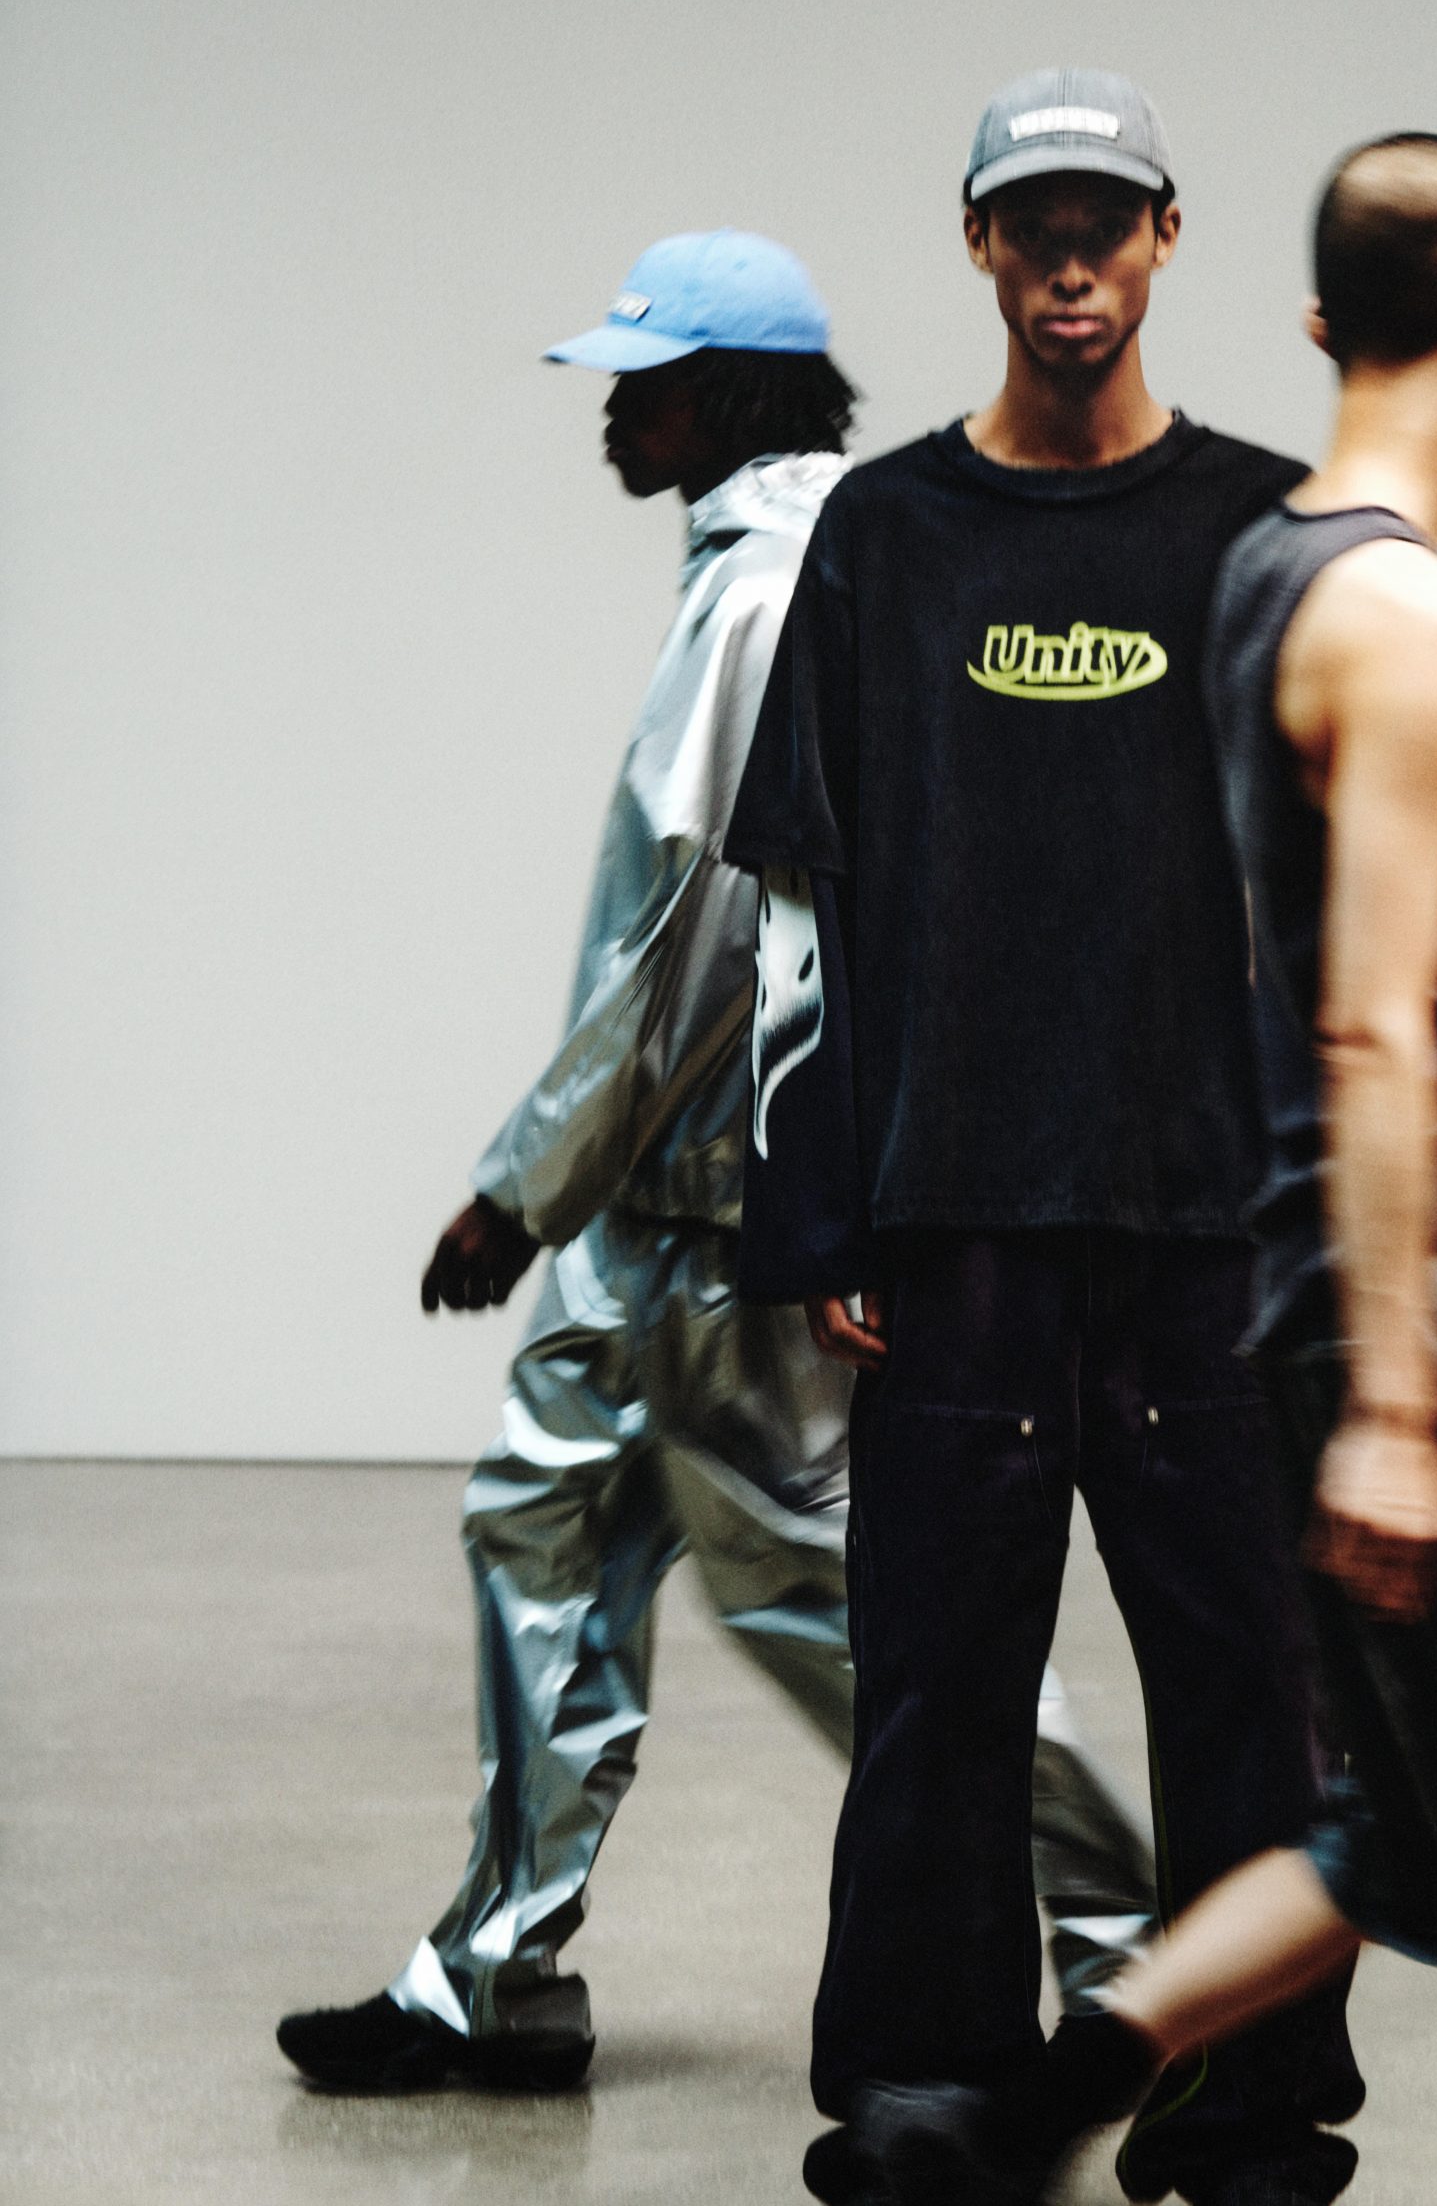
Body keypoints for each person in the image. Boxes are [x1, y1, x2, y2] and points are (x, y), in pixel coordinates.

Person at [853, 135, 1437, 2206]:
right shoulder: (1405, 613)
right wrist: (1400, 1403)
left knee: (1379, 1829)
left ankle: (1031, 2109)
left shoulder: (1265, 565)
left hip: (1306, 1268)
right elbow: (1372, 1021)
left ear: (1322, 321)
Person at [274, 229, 1157, 2100]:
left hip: (721, 1216)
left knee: (855, 1621)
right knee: (541, 1537)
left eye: (644, 382)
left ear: (734, 392)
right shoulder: (778, 565)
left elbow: (705, 933)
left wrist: (522, 1185)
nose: (612, 413)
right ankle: (494, 1980)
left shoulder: (776, 591)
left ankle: (1145, 1964)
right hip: (651, 1216)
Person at [723, 74, 1363, 2206]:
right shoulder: (886, 537)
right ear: (979, 243)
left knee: (1253, 1699)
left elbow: (1350, 907)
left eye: (1108, 221)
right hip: (957, 1225)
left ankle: (1250, 2112)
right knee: (935, 1695)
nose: (1071, 261)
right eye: (1034, 224)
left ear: (1168, 236)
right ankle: (921, 2090)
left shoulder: (1267, 530)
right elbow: (804, 898)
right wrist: (823, 1199)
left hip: (1209, 1230)